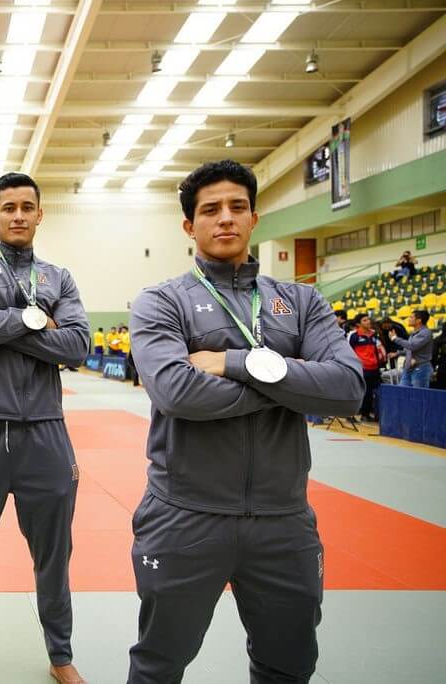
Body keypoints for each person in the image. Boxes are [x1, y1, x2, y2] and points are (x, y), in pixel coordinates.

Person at [128, 160, 364, 684]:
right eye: (210, 210)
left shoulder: (300, 302)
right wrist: (290, 385)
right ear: (189, 226)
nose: (225, 218)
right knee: (159, 663)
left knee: (290, 665)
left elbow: (348, 388)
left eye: (237, 207)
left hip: (284, 521)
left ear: (255, 217)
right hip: (185, 516)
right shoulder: (161, 302)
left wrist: (235, 362)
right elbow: (178, 392)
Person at [0, 172, 90, 684]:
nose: (19, 215)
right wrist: (37, 322)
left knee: (54, 554)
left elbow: (77, 347)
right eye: (9, 207)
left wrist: (2, 319)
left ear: (40, 214)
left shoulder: (59, 278)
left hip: (46, 433)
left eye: (28, 206)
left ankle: (61, 653)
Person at [348, 314, 385, 421]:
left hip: (373, 369)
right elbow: (348, 352)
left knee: (369, 393)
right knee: (357, 392)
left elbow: (378, 351)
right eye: (365, 320)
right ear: (358, 324)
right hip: (361, 369)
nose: (368, 321)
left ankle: (365, 414)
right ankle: (350, 414)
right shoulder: (354, 335)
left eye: (368, 319)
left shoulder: (374, 334)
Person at [391, 309, 434, 388]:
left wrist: (395, 338)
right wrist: (398, 353)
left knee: (419, 396)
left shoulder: (425, 333)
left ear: (418, 320)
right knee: (403, 392)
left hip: (420, 368)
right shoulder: (414, 333)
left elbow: (412, 346)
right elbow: (409, 349)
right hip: (408, 368)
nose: (408, 319)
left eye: (411, 317)